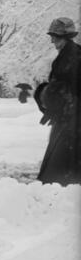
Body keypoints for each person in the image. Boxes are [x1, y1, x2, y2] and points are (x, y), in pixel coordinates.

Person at [35, 17, 81, 185]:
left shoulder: (72, 57)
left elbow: (69, 88)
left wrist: (47, 95)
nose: (52, 40)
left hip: (71, 121)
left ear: (67, 37)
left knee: (60, 169)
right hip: (66, 117)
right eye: (52, 36)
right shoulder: (68, 55)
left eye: (56, 36)